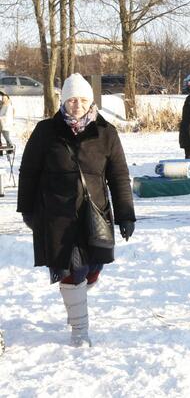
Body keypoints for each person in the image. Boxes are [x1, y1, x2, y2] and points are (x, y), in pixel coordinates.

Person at [17, 73, 135, 347]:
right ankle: (80, 330)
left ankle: (75, 304)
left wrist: (126, 214)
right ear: (63, 101)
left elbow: (118, 175)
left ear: (91, 101)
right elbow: (29, 172)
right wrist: (27, 210)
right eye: (71, 100)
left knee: (93, 267)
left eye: (82, 100)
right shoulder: (46, 131)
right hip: (57, 216)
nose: (77, 105)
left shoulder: (106, 132)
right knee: (72, 271)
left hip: (95, 214)